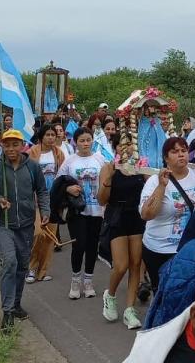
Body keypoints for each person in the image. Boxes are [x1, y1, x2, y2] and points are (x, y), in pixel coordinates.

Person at [0, 129, 49, 332]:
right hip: (4, 224)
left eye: (15, 144)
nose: (11, 149)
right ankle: (7, 312)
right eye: (7, 145)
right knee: (10, 263)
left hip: (26, 224)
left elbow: (41, 190)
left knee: (22, 266)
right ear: (2, 146)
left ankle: (16, 304)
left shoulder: (32, 167)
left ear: (22, 145)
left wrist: (45, 210)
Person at [140, 137, 195, 292]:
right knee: (163, 294)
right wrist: (162, 187)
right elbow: (146, 214)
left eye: (183, 150)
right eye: (174, 151)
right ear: (166, 158)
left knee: (189, 293)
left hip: (190, 248)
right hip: (160, 250)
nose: (181, 155)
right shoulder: (154, 181)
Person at [56, 127, 107, 300]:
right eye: (82, 140)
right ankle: (75, 280)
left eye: (88, 140)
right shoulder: (70, 162)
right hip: (77, 211)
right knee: (79, 245)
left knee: (92, 246)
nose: (86, 144)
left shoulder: (100, 159)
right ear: (75, 142)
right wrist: (68, 188)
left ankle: (88, 281)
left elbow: (109, 180)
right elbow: (58, 183)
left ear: (93, 140)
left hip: (97, 210)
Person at [98, 148, 147, 329]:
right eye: (123, 146)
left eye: (131, 146)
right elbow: (102, 200)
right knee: (121, 265)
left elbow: (148, 191)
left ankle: (129, 309)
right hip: (116, 216)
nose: (128, 150)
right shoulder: (109, 167)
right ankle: (110, 295)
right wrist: (109, 178)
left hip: (136, 216)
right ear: (116, 148)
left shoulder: (141, 166)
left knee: (136, 264)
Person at [26, 126, 66, 283]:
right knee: (38, 234)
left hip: (53, 199)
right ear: (41, 137)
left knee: (50, 237)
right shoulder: (32, 153)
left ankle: (42, 271)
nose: (51, 137)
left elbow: (63, 175)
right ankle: (31, 268)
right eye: (47, 135)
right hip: (36, 200)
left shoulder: (59, 153)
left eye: (53, 135)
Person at [138, 99, 169, 168]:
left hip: (155, 142)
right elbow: (143, 134)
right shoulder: (143, 121)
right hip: (146, 143)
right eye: (146, 108)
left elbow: (159, 133)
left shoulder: (156, 119)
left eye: (151, 107)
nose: (148, 110)